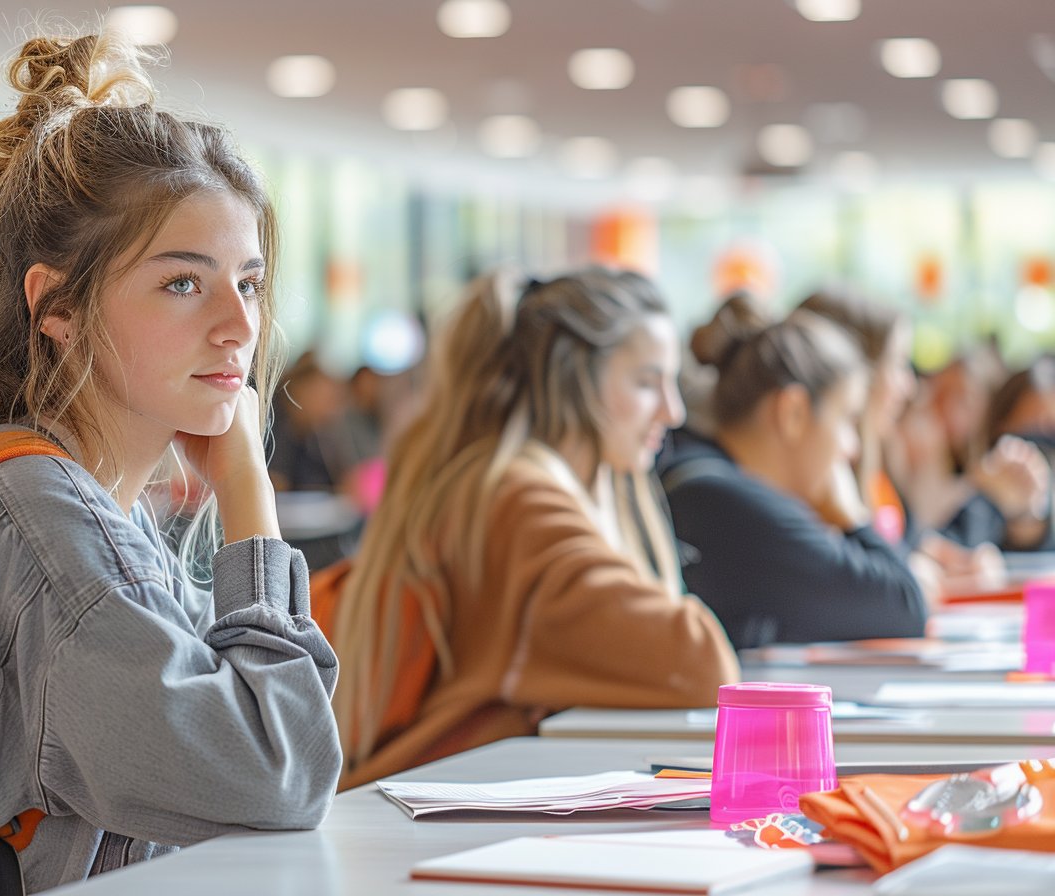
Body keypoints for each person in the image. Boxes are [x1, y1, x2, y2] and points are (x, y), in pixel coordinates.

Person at [0, 33, 341, 895]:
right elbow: (279, 770)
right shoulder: (49, 528)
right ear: (57, 307)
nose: (239, 325)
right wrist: (246, 487)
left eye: (249, 281)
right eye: (182, 283)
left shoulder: (51, 495)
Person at [322, 266, 740, 790]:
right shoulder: (521, 498)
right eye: (645, 381)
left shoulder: (517, 481)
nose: (672, 411)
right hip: (418, 808)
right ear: (575, 380)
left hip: (444, 798)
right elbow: (699, 665)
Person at [662, 295, 927, 650]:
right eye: (846, 419)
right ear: (793, 413)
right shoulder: (723, 501)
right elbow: (904, 606)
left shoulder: (710, 480)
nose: (852, 447)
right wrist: (852, 516)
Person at [796, 290, 1003, 595]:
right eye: (896, 365)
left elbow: (895, 559)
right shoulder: (816, 481)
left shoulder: (874, 474)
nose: (910, 386)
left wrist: (933, 557)